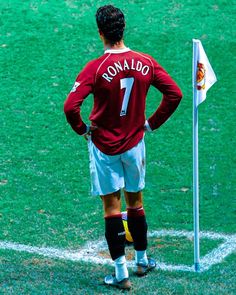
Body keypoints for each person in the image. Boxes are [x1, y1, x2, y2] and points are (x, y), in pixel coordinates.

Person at [64, 5, 182, 290]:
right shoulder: (146, 62)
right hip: (134, 144)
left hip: (105, 147)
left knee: (111, 209)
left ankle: (121, 274)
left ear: (101, 32)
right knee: (136, 203)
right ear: (123, 30)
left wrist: (83, 130)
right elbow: (174, 94)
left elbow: (70, 107)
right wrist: (150, 124)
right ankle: (141, 260)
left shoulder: (96, 68)